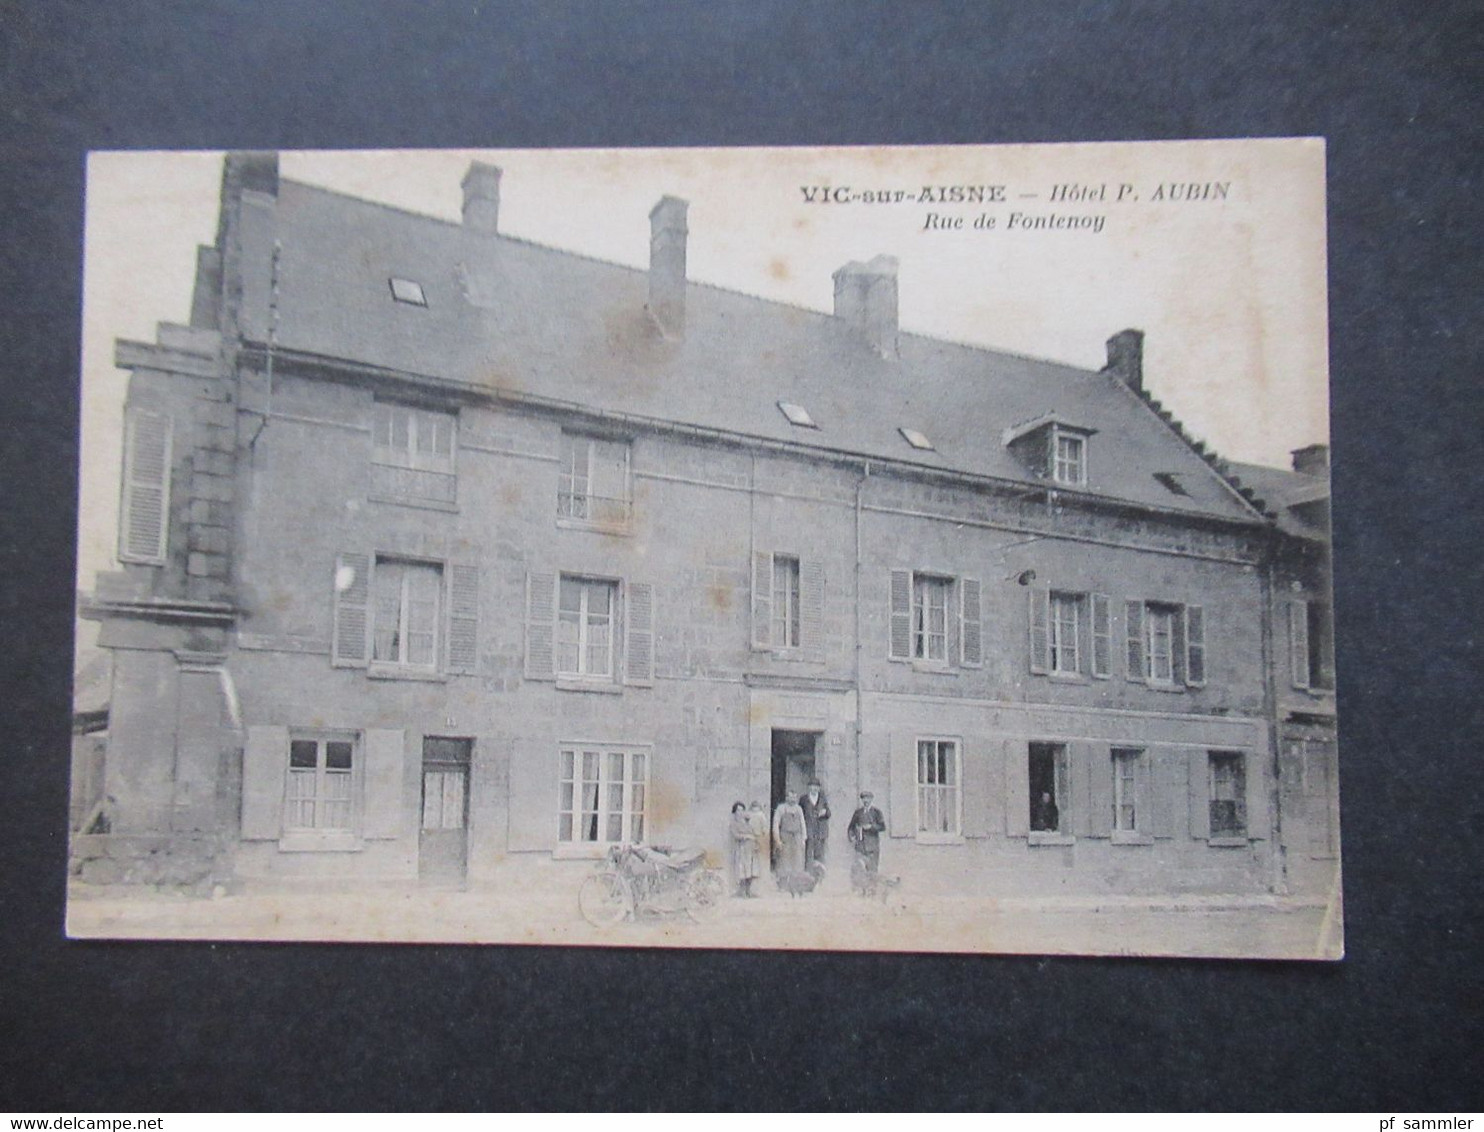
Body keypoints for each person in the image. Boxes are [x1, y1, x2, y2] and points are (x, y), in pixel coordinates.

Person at [847, 789, 886, 877]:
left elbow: (882, 827)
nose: (866, 801)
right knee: (860, 870)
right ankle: (862, 890)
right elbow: (851, 827)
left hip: (872, 847)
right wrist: (852, 837)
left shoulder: (877, 812)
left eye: (868, 798)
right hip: (860, 847)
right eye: (863, 798)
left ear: (871, 799)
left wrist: (871, 827)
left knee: (872, 871)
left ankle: (872, 890)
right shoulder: (858, 813)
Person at [728, 801, 760, 897]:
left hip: (750, 850)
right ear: (734, 812)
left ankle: (748, 891)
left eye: (742, 810)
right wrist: (747, 837)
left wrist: (755, 843)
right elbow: (736, 835)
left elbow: (753, 833)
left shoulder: (747, 823)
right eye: (738, 810)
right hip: (741, 849)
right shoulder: (733, 824)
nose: (740, 812)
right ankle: (742, 892)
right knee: (742, 870)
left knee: (751, 870)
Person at [772, 790, 807, 875]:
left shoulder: (799, 809)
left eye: (794, 797)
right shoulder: (781, 808)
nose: (793, 799)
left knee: (798, 858)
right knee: (785, 859)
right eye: (791, 797)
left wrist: (804, 838)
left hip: (797, 837)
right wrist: (777, 840)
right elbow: (776, 824)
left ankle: (797, 880)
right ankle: (784, 881)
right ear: (786, 798)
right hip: (785, 837)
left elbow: (803, 823)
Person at [800, 779, 830, 868]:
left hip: (820, 830)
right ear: (809, 787)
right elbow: (801, 814)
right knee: (809, 852)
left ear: (819, 788)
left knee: (820, 853)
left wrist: (824, 812)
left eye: (816, 787)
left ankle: (820, 875)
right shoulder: (804, 799)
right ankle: (809, 873)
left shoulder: (822, 799)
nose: (814, 789)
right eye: (812, 786)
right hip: (809, 830)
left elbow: (829, 813)